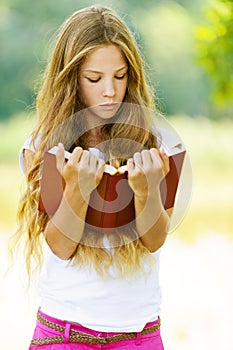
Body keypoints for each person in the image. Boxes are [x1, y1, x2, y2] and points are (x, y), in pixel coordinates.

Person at [15, 5, 185, 349]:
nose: (110, 90)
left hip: (138, 336)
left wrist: (147, 191)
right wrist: (78, 190)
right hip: (64, 334)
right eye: (94, 79)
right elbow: (61, 247)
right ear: (71, 79)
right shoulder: (44, 146)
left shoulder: (158, 143)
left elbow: (154, 240)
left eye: (120, 76)